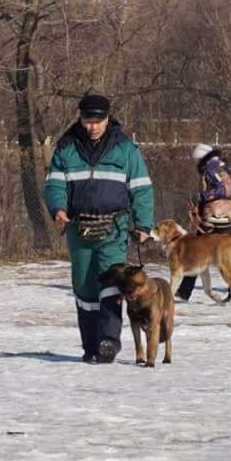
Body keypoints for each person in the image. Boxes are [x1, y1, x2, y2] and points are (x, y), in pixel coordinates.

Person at [43, 94, 153, 364]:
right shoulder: (66, 148)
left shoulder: (126, 149)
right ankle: (90, 345)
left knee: (112, 283)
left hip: (113, 227)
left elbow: (141, 189)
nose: (92, 126)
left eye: (98, 120)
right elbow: (54, 184)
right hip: (78, 228)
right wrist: (58, 208)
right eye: (87, 120)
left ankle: (108, 341)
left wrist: (143, 223)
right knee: (84, 288)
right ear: (80, 118)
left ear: (107, 118)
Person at [175, 143, 231, 301]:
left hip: (215, 216)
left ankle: (184, 292)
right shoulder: (220, 165)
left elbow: (221, 189)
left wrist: (201, 198)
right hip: (224, 213)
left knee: (196, 252)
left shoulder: (211, 167)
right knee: (216, 254)